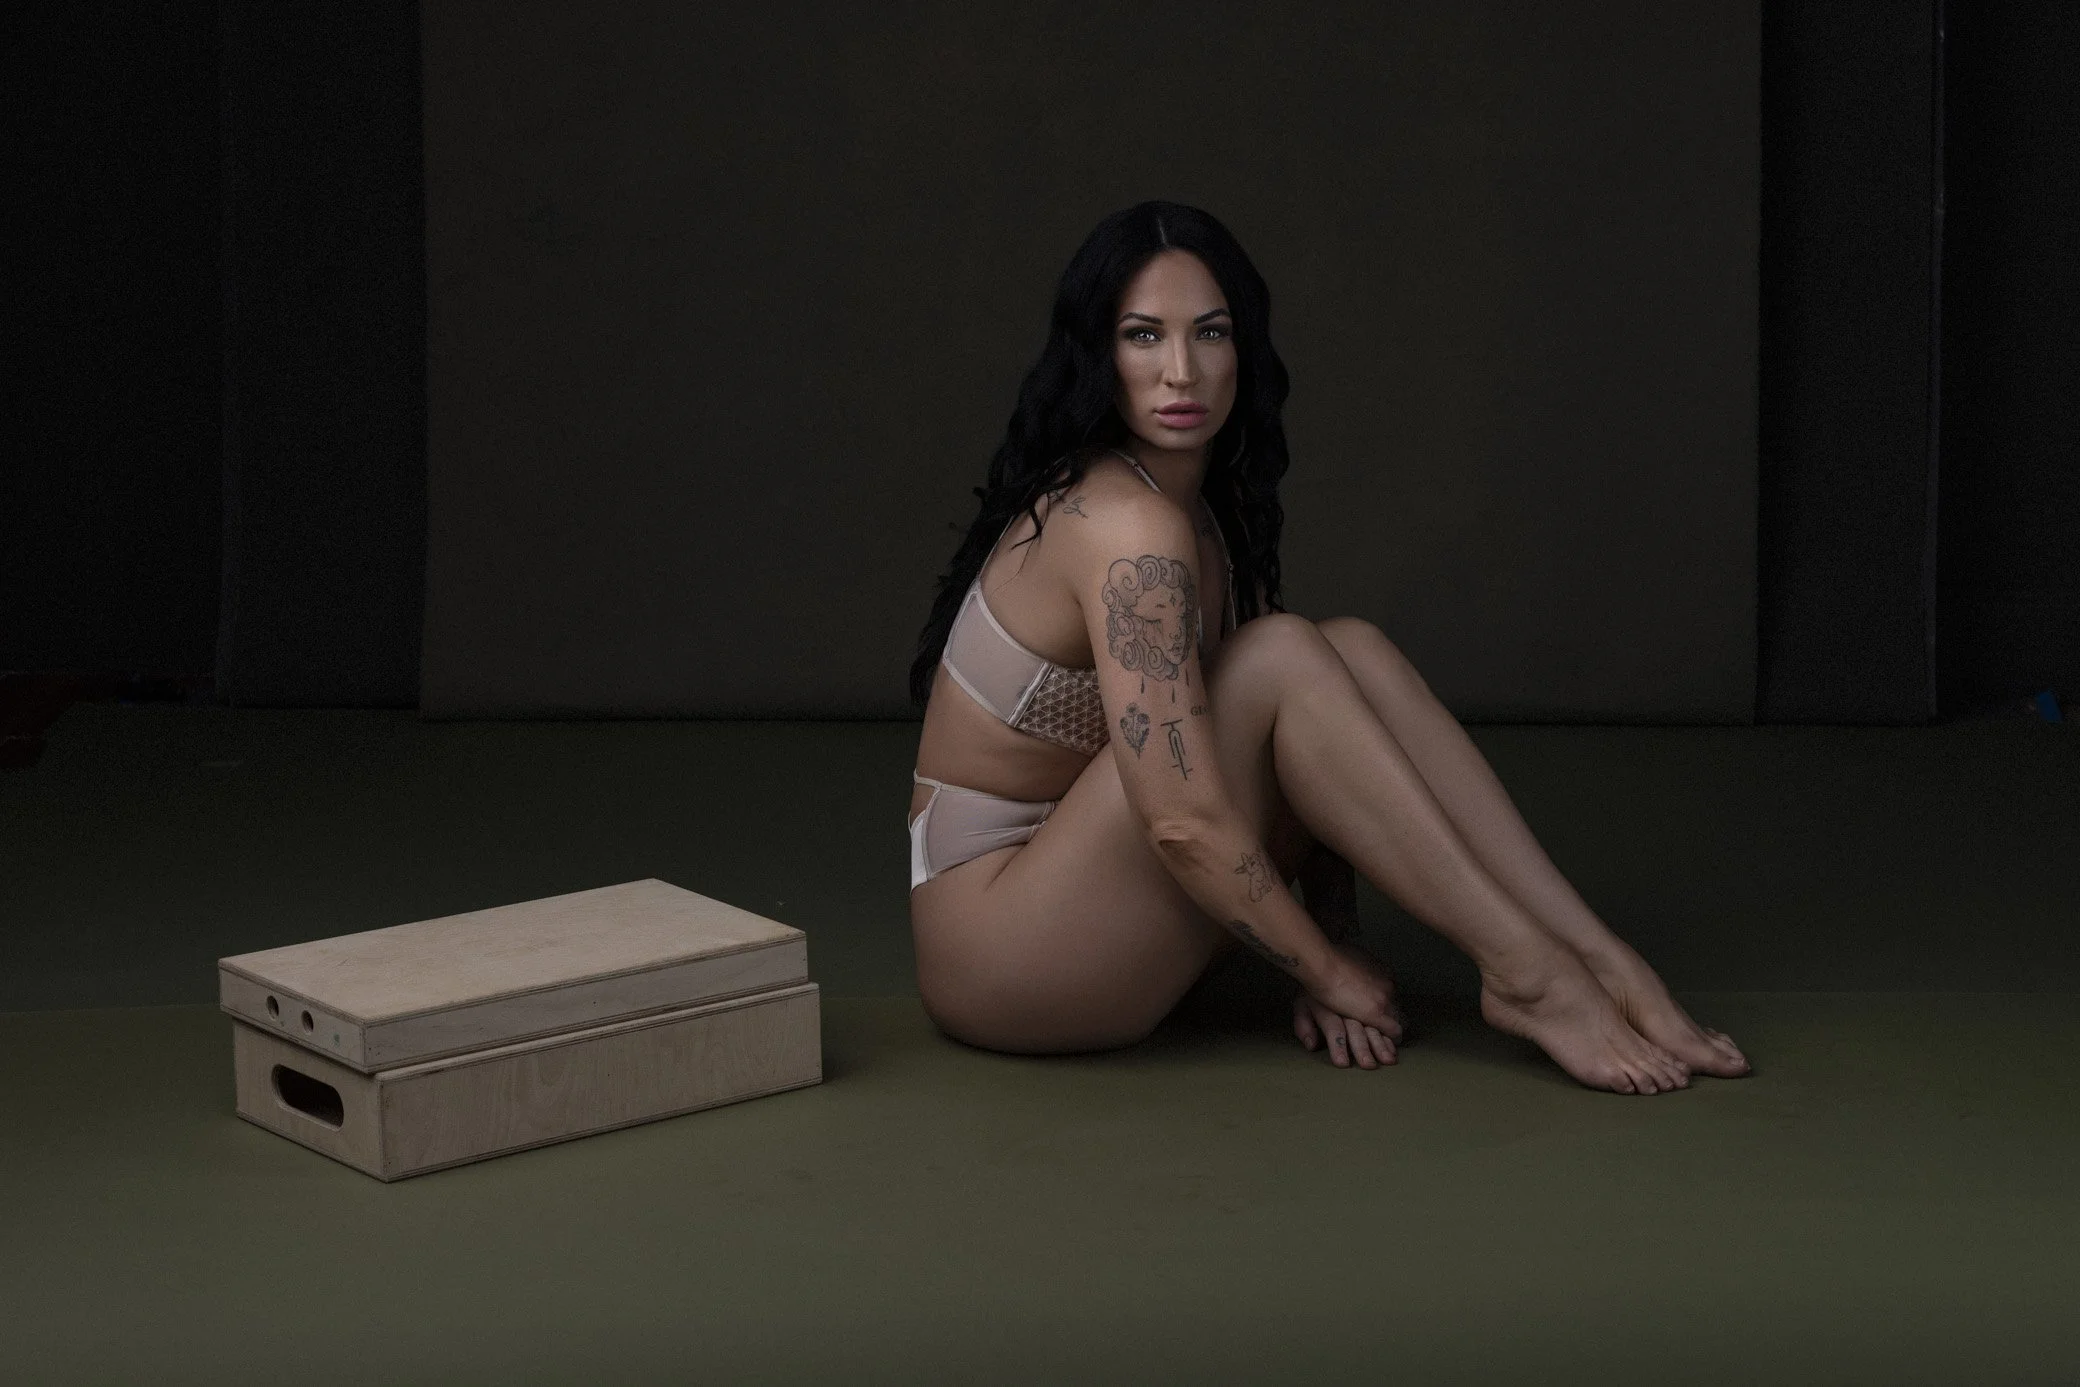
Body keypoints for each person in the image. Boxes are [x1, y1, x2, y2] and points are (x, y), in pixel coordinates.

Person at [905, 201, 1748, 1093]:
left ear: (1245, 348)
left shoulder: (1199, 514)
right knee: (1282, 657)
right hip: (1003, 956)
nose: (1180, 370)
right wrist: (1321, 971)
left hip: (1100, 901)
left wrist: (1335, 935)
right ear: (1097, 356)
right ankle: (1531, 978)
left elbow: (1310, 758)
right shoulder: (1124, 524)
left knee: (1349, 649)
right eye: (1143, 336)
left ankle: (1599, 958)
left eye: (1211, 332)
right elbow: (1181, 817)